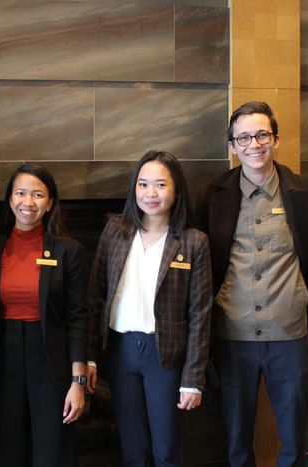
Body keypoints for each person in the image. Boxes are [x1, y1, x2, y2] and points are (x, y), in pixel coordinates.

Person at [193, 101, 308, 466]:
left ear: (275, 139)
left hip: (290, 335)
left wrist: (302, 294)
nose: (254, 144)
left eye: (262, 134)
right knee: (235, 438)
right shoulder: (210, 197)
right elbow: (199, 262)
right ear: (232, 146)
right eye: (244, 137)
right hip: (232, 336)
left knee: (294, 435)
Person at [87, 150, 213, 467]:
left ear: (176, 190)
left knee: (166, 449)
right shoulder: (116, 231)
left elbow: (201, 314)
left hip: (165, 355)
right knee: (133, 448)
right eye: (143, 184)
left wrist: (193, 379)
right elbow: (95, 296)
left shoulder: (193, 242)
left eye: (160, 185)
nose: (150, 193)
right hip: (121, 350)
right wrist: (88, 356)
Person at [0, 164, 88, 467]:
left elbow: (78, 317)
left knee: (52, 449)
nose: (28, 202)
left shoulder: (69, 251)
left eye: (38, 194)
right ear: (9, 199)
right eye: (20, 193)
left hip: (51, 359)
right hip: (4, 359)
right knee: (7, 448)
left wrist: (77, 381)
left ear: (50, 203)